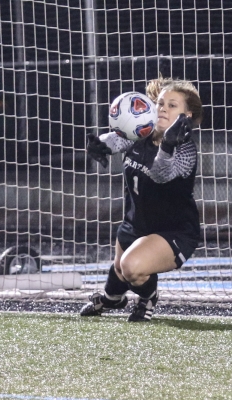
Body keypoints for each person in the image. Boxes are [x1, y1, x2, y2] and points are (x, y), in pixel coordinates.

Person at [82, 77, 203, 322]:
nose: (162, 109)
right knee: (120, 274)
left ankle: (149, 298)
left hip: (173, 231)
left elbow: (160, 175)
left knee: (132, 268)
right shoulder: (142, 132)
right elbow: (117, 139)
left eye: (172, 106)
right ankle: (111, 299)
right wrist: (100, 144)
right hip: (135, 223)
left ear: (186, 117)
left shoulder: (185, 150)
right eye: (160, 103)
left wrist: (167, 145)